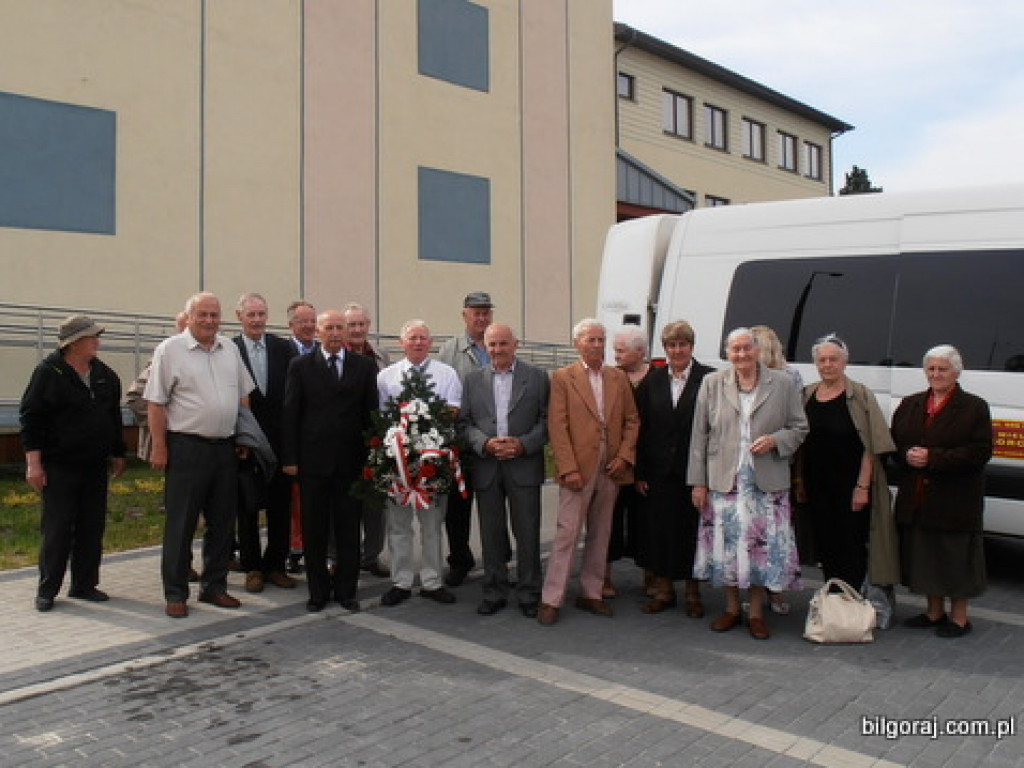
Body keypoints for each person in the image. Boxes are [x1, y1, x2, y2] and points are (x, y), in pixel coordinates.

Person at [688, 327, 806, 640]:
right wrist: (698, 482)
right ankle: (730, 608)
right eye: (735, 349)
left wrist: (776, 440)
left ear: (757, 350)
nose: (741, 354)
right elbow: (699, 436)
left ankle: (755, 612)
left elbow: (800, 427)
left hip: (765, 482)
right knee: (726, 546)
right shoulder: (712, 383)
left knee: (760, 550)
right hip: (723, 480)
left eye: (747, 348)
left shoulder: (781, 383)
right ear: (727, 353)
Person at [144, 292, 254, 618]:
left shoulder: (229, 349)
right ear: (189, 317)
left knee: (222, 522)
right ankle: (176, 592)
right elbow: (155, 402)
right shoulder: (170, 350)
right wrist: (159, 446)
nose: (209, 321)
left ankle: (214, 587)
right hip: (186, 448)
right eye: (202, 315)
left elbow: (243, 395)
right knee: (181, 523)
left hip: (225, 448)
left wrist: (243, 433)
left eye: (214, 315)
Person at [20, 315, 127, 612]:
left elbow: (114, 418)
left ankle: (84, 584)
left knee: (92, 527)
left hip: (94, 466)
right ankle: (47, 589)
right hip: (60, 466)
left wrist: (118, 453)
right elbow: (31, 419)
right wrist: (33, 464)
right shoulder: (48, 373)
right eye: (91, 337)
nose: (97, 341)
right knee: (57, 529)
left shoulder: (105, 375)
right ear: (74, 343)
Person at [538, 319, 639, 626]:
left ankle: (591, 592)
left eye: (601, 340)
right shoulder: (563, 378)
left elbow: (632, 421)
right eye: (591, 340)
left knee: (602, 531)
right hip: (578, 468)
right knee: (567, 533)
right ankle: (551, 598)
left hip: (611, 467)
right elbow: (558, 426)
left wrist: (624, 456)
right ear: (577, 344)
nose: (597, 345)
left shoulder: (618, 377)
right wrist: (567, 468)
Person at [891, 345, 992, 638]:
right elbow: (894, 442)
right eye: (931, 369)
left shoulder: (974, 407)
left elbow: (980, 452)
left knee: (955, 558)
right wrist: (906, 454)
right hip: (918, 496)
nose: (936, 374)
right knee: (925, 556)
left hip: (955, 499)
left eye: (942, 369)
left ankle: (959, 618)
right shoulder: (911, 403)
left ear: (956, 372)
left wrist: (933, 458)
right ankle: (933, 612)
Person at [281, 309, 378, 612]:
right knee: (315, 530)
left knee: (349, 529)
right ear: (318, 332)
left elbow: (371, 414)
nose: (335, 333)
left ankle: (347, 591)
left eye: (340, 327)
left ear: (346, 332)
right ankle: (318, 591)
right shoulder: (300, 366)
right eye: (329, 328)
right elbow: (290, 413)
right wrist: (290, 458)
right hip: (313, 463)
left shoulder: (363, 366)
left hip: (351, 463)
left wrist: (372, 457)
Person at [459, 323, 549, 618]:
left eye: (503, 343)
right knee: (491, 534)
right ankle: (494, 591)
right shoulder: (472, 380)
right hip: (487, 466)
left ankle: (529, 592)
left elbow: (547, 421)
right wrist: (484, 443)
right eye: (492, 344)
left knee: (527, 533)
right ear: (484, 347)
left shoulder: (537, 377)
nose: (497, 349)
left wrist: (522, 445)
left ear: (515, 344)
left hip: (524, 465)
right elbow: (464, 424)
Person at [798, 334, 898, 593]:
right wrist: (799, 481)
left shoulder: (860, 396)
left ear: (845, 362)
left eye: (833, 359)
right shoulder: (807, 394)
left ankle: (851, 601)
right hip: (817, 484)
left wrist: (862, 487)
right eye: (822, 360)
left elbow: (871, 446)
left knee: (851, 545)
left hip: (851, 486)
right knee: (825, 544)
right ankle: (833, 600)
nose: (827, 365)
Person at [377, 319, 462, 606]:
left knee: (432, 525)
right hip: (397, 462)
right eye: (412, 338)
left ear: (430, 343)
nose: (418, 342)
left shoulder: (446, 374)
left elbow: (453, 411)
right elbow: (381, 417)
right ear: (402, 343)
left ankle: (432, 581)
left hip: (432, 460)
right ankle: (401, 581)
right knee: (398, 525)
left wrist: (425, 428)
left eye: (423, 338)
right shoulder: (386, 377)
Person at [634, 320, 713, 617]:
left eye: (682, 344)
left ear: (691, 346)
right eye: (671, 345)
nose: (677, 350)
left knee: (692, 532)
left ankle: (693, 593)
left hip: (694, 471)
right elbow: (641, 427)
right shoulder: (652, 381)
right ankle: (664, 591)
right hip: (658, 471)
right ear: (665, 348)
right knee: (660, 531)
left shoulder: (709, 379)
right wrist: (640, 471)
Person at [233, 293, 298, 593]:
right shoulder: (229, 349)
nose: (257, 320)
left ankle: (275, 565)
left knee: (280, 507)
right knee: (247, 507)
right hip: (246, 443)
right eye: (251, 315)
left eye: (261, 314)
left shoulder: (283, 348)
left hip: (281, 443)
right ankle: (252, 568)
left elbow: (293, 396)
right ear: (240, 316)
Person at [436, 290, 494, 587]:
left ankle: (497, 561)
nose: (481, 318)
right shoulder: (449, 351)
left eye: (486, 313)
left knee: (493, 508)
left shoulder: (499, 344)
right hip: (460, 445)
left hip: (493, 444)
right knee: (457, 510)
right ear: (465, 316)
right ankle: (459, 560)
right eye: (476, 313)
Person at [749, 324, 803, 616]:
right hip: (750, 465)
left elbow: (797, 423)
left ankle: (774, 589)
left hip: (776, 463)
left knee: (773, 533)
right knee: (755, 533)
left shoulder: (789, 377)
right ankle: (760, 591)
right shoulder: (742, 375)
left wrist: (775, 441)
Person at [343, 301, 391, 579]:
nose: (357, 329)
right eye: (352, 325)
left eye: (361, 324)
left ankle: (370, 555)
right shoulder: (337, 355)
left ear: (368, 326)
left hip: (377, 438)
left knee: (375, 503)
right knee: (344, 502)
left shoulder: (380, 355)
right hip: (346, 439)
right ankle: (340, 557)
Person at [604, 326, 650, 599]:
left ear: (640, 351)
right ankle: (604, 577)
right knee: (608, 521)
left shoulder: (656, 379)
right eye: (616, 350)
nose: (616, 355)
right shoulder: (611, 377)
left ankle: (650, 577)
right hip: (616, 461)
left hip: (647, 461)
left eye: (621, 350)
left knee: (646, 522)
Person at [284, 299, 318, 573]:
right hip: (294, 438)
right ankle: (293, 551)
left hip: (320, 441)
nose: (308, 326)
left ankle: (314, 550)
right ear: (291, 325)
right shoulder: (282, 353)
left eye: (311, 321)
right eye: (302, 321)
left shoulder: (324, 351)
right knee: (291, 501)